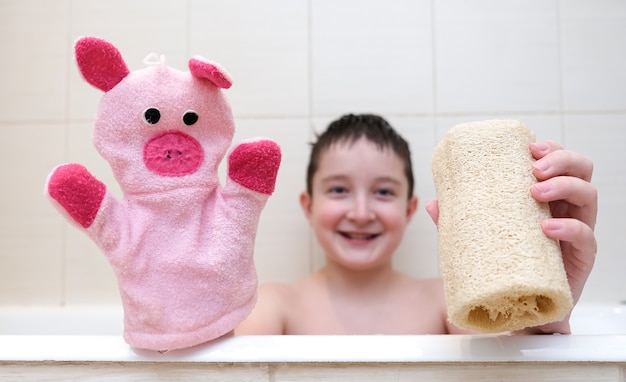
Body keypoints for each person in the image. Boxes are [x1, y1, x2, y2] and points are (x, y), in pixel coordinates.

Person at [236, 114, 597, 335]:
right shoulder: (274, 306)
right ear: (309, 206)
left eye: (382, 192)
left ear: (410, 209)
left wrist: (542, 307)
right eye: (339, 190)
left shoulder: (449, 305)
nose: (361, 213)